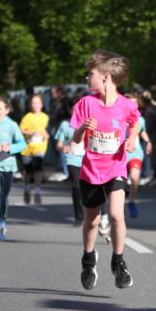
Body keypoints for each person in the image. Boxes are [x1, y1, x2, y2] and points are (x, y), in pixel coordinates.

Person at [70, 50, 139, 290]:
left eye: (91, 75)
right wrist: (82, 129)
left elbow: (135, 120)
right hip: (90, 171)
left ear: (106, 77)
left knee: (117, 215)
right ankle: (88, 259)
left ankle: (118, 261)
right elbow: (76, 140)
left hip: (116, 168)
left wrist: (132, 138)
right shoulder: (86, 103)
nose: (87, 79)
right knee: (92, 221)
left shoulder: (125, 105)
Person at [0, 95, 27, 240]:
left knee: (4, 194)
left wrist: (10, 148)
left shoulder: (12, 125)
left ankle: (3, 222)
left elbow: (22, 144)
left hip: (8, 165)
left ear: (7, 110)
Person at [54, 96, 85, 225]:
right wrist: (64, 147)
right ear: (70, 110)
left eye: (80, 108)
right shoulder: (65, 124)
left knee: (92, 189)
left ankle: (97, 214)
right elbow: (58, 145)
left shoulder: (91, 123)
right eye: (74, 109)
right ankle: (79, 217)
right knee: (76, 188)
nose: (77, 111)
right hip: (73, 159)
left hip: (89, 160)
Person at [124, 91, 151, 216]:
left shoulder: (140, 119)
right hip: (120, 154)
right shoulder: (119, 117)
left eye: (135, 104)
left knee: (135, 178)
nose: (133, 106)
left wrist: (148, 141)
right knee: (121, 181)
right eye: (130, 104)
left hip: (135, 152)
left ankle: (132, 201)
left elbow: (142, 132)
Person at [19, 93, 49, 205]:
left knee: (38, 169)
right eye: (33, 103)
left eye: (37, 103)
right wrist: (31, 133)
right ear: (30, 105)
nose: (35, 105)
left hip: (40, 147)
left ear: (41, 104)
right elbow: (21, 130)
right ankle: (27, 188)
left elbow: (46, 131)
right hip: (27, 148)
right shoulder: (27, 117)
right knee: (27, 170)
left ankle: (37, 190)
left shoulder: (45, 117)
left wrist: (46, 135)